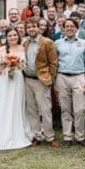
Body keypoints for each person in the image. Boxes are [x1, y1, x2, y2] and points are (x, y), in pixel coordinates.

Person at [0, 28, 33, 150]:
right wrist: (6, 70)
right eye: (10, 35)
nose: (12, 37)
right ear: (6, 37)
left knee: (16, 106)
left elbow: (24, 66)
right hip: (3, 81)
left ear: (18, 36)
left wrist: (15, 67)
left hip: (17, 80)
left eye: (14, 35)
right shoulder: (2, 49)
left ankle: (17, 133)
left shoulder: (23, 48)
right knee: (3, 106)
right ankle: (1, 135)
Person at [55, 18, 85, 146]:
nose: (70, 28)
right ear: (63, 29)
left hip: (79, 77)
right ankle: (67, 137)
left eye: (72, 26)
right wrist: (54, 81)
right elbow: (54, 64)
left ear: (77, 28)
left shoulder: (84, 43)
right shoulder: (58, 43)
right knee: (65, 109)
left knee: (80, 109)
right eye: (67, 26)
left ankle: (80, 136)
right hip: (62, 77)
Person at [23, 18, 59, 147]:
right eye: (29, 27)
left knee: (45, 110)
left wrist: (51, 79)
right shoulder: (25, 43)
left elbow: (53, 62)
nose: (31, 29)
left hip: (42, 80)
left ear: (39, 28)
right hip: (28, 80)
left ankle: (50, 137)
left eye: (34, 26)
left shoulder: (47, 42)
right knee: (31, 110)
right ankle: (37, 135)